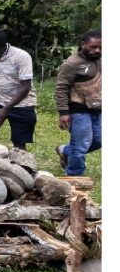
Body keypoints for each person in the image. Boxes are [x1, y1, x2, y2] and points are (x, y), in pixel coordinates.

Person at [54, 30, 101, 176]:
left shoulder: (101, 59)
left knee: (100, 139)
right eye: (93, 47)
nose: (97, 50)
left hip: (98, 108)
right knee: (80, 145)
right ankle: (74, 175)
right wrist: (63, 112)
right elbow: (61, 88)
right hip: (78, 109)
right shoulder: (72, 63)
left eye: (100, 47)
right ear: (83, 44)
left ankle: (66, 150)